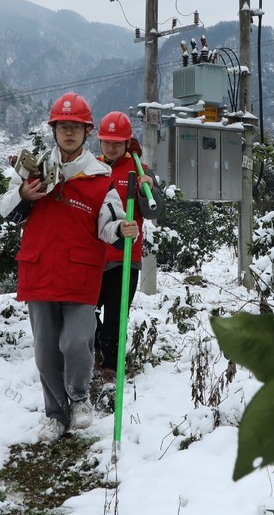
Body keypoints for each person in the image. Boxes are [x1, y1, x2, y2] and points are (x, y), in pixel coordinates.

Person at [0, 93, 139, 442]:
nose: (69, 133)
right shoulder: (33, 171)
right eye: (63, 127)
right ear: (54, 130)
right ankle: (55, 415)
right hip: (40, 268)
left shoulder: (98, 176)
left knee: (76, 341)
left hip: (80, 272)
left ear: (87, 132)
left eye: (76, 127)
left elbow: (108, 224)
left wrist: (121, 230)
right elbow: (5, 209)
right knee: (45, 350)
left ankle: (78, 399)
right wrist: (25, 196)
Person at [93, 111, 163, 378]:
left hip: (125, 256)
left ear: (126, 144)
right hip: (94, 254)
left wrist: (150, 188)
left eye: (117, 143)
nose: (111, 147)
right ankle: (96, 349)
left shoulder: (139, 171)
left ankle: (110, 365)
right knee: (85, 312)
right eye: (107, 142)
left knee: (115, 316)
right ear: (99, 142)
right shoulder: (92, 168)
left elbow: (154, 211)